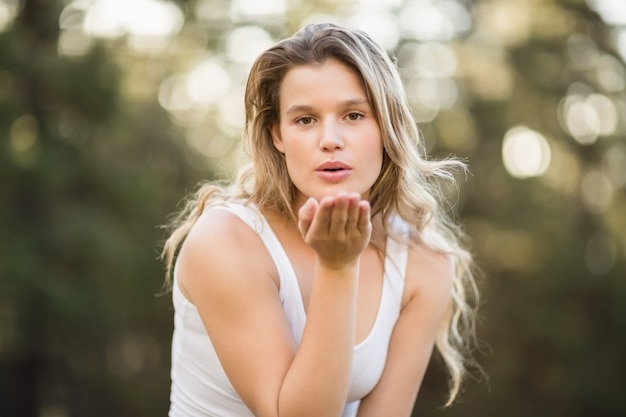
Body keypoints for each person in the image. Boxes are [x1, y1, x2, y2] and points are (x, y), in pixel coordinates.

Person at [161, 22, 479, 417]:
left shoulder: (424, 263)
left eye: (353, 115)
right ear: (277, 134)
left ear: (386, 125)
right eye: (305, 120)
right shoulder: (226, 241)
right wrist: (338, 266)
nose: (330, 139)